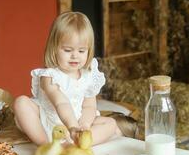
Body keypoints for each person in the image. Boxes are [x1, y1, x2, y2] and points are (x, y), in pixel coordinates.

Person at [13, 12, 136, 145]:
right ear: (54, 49)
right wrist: (72, 126)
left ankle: (80, 142)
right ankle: (45, 145)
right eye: (67, 50)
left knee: (111, 124)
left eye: (81, 51)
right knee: (21, 103)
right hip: (48, 124)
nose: (74, 56)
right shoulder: (49, 76)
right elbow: (61, 103)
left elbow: (89, 106)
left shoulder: (88, 75)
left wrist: (84, 125)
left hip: (77, 123)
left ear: (89, 50)